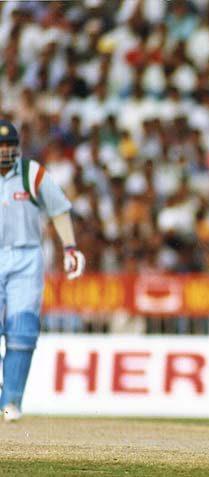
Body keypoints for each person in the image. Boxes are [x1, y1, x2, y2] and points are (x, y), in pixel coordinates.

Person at [0, 119, 85, 421]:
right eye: (1, 146)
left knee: (22, 331)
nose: (5, 151)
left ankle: (11, 401)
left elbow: (58, 208)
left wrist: (70, 247)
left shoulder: (31, 173)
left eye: (9, 145)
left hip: (25, 257)